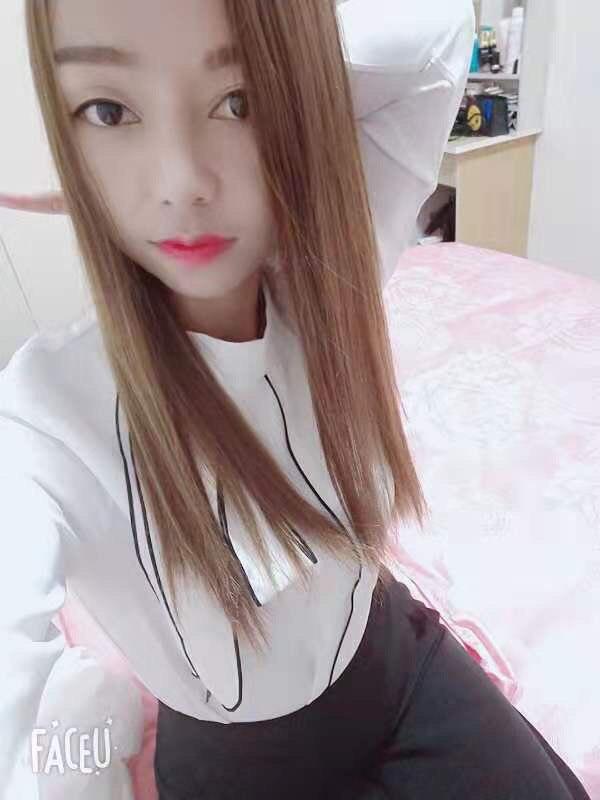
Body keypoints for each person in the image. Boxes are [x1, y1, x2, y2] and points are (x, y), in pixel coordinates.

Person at [0, 1, 592, 799]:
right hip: (241, 760)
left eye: (237, 100)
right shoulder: (45, 419)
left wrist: (280, 60)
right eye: (108, 111)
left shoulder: (328, 271)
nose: (181, 183)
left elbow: (438, 26)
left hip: (392, 658)